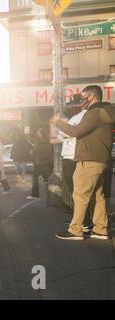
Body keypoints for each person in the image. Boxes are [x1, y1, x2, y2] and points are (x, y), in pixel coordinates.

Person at [53, 85, 113, 241]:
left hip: (89, 159)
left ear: (92, 97)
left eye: (83, 96)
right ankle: (100, 229)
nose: (81, 100)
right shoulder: (104, 111)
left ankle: (76, 230)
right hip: (100, 159)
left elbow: (75, 131)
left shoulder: (94, 113)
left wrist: (58, 122)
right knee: (98, 196)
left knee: (80, 195)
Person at [58, 103, 88, 210]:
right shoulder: (72, 118)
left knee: (77, 188)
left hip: (74, 156)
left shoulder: (84, 115)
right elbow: (60, 135)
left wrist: (65, 133)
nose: (67, 109)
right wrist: (65, 133)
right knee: (73, 187)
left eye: (69, 106)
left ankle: (82, 218)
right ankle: (78, 215)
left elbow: (71, 133)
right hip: (68, 155)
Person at [27, 128, 53, 200]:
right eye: (37, 132)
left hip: (43, 164)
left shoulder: (44, 142)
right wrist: (32, 157)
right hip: (39, 164)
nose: (37, 134)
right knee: (44, 179)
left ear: (42, 134)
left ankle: (36, 195)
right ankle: (48, 195)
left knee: (43, 179)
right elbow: (35, 151)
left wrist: (38, 158)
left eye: (39, 133)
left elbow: (49, 154)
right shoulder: (38, 141)